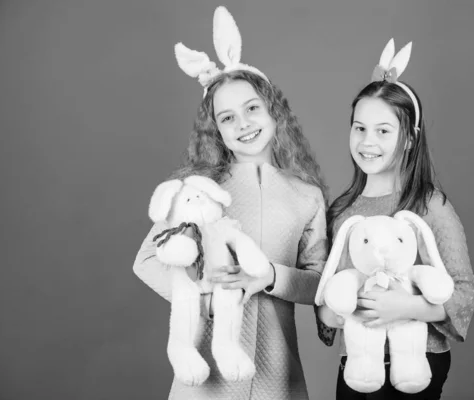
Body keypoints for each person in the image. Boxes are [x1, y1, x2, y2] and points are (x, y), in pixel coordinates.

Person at [133, 7, 328, 400]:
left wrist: (270, 277)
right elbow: (147, 260)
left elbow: (320, 282)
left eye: (252, 108)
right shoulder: (199, 190)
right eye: (227, 118)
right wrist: (202, 296)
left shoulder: (307, 196)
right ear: (216, 131)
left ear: (275, 111)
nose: (243, 124)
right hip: (207, 378)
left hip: (277, 372)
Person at [316, 39, 474, 399]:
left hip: (421, 360)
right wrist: (337, 308)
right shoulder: (342, 212)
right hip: (360, 364)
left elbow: (465, 290)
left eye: (383, 130)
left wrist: (405, 306)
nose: (367, 141)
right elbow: (327, 303)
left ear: (409, 139)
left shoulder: (429, 206)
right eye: (359, 128)